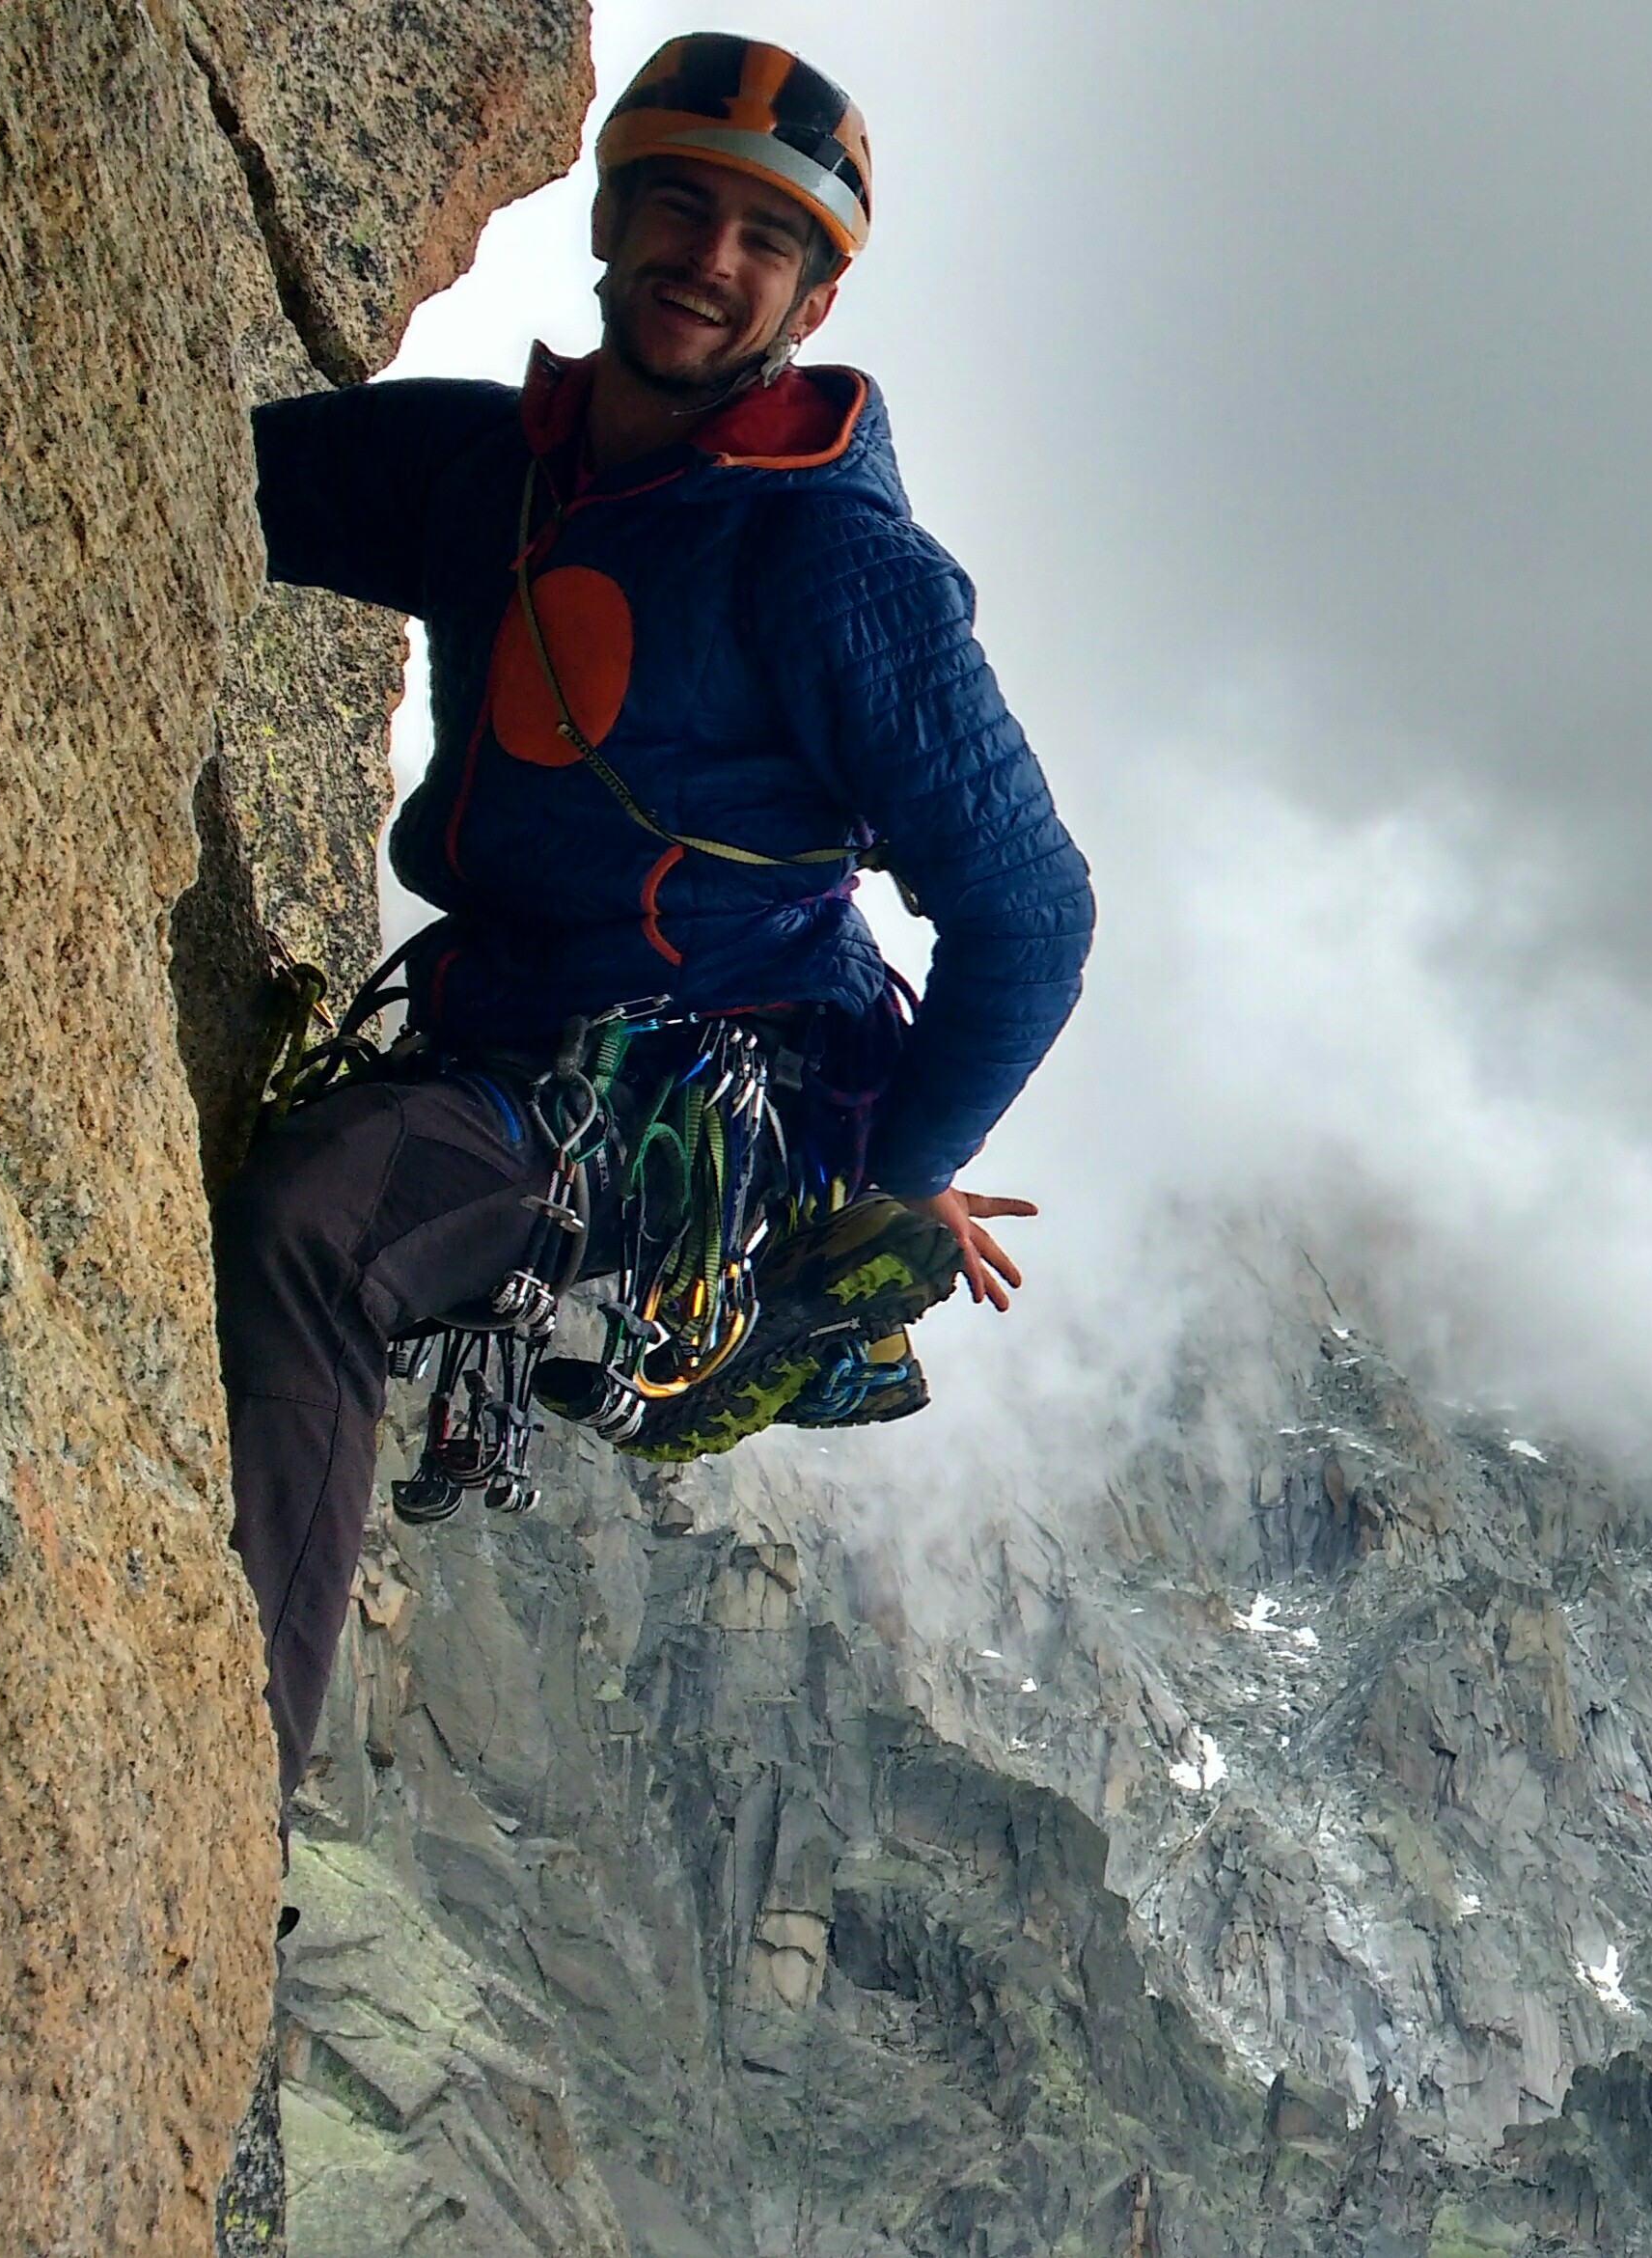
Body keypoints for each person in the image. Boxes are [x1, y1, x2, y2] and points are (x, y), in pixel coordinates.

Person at [220, 33, 1093, 1816]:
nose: (710, 257)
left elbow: (1031, 912)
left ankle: (211, 1806)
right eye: (678, 203)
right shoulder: (501, 472)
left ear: (816, 290)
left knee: (322, 1226)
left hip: (684, 1105)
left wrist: (886, 1171)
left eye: (765, 240)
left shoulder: (830, 562)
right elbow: (194, 472)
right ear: (610, 216)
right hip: (512, 1037)